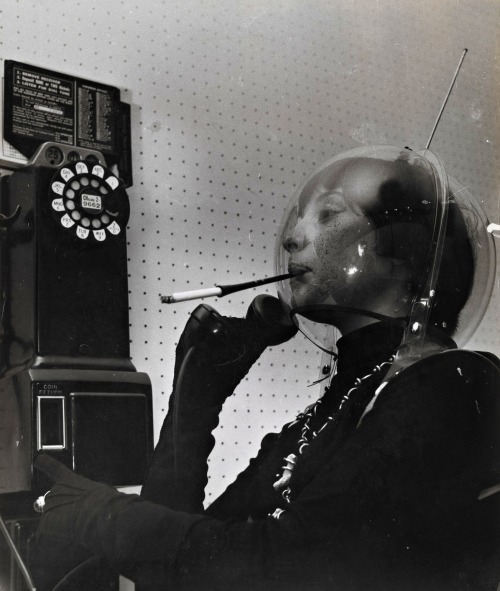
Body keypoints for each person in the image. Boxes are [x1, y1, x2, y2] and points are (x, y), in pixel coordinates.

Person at [33, 146, 499, 591]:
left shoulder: (452, 384)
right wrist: (193, 402)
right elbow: (184, 570)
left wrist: (103, 516)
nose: (292, 236)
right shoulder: (336, 408)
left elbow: (289, 566)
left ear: (403, 250)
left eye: (328, 214)